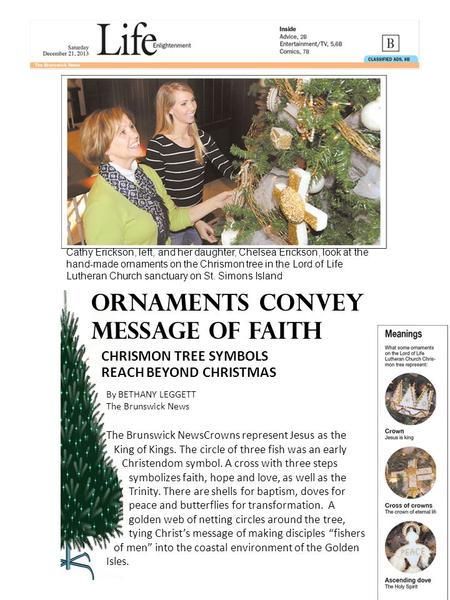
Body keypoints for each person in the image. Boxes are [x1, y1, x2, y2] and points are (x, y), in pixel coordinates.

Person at [79, 107, 233, 245]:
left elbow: (172, 218)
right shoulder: (102, 204)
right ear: (103, 147)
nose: (134, 134)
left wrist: (217, 202)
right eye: (122, 132)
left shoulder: (147, 173)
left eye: (132, 126)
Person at [144, 82, 234, 245]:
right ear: (169, 109)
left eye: (192, 100)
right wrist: (193, 220)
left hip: (198, 215)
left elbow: (225, 166)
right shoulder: (159, 146)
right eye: (184, 103)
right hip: (172, 224)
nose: (192, 107)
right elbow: (156, 196)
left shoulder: (202, 138)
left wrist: (248, 175)